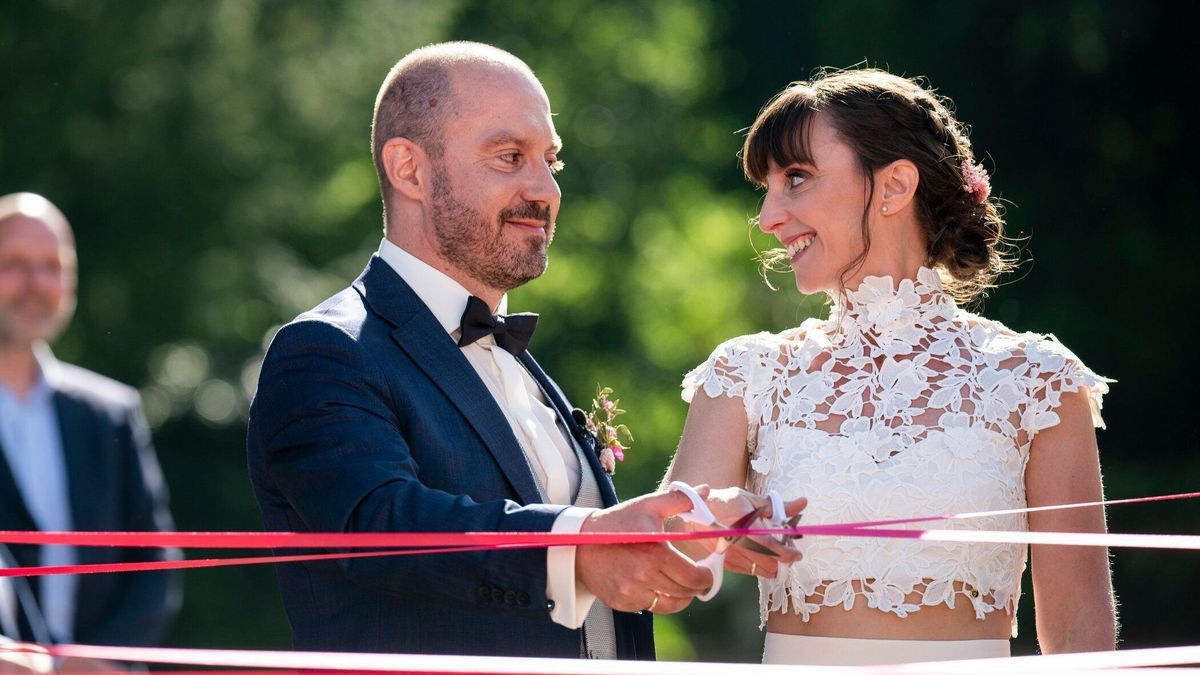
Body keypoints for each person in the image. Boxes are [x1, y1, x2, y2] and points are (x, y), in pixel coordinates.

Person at [245, 41, 805, 660]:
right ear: (410, 170)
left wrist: (682, 527)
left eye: (551, 162)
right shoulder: (325, 351)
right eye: (509, 157)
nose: (544, 190)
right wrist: (584, 547)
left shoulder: (520, 362)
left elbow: (568, 562)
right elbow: (382, 527)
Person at [662, 68, 1117, 665]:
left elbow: (1081, 634)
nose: (769, 215)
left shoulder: (1036, 380)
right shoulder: (746, 375)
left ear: (896, 185)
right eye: (767, 188)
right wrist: (707, 528)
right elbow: (660, 575)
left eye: (796, 178)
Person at [0, 193, 181, 648]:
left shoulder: (110, 413)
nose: (36, 283)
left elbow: (154, 565)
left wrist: (105, 660)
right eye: (15, 263)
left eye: (53, 267)